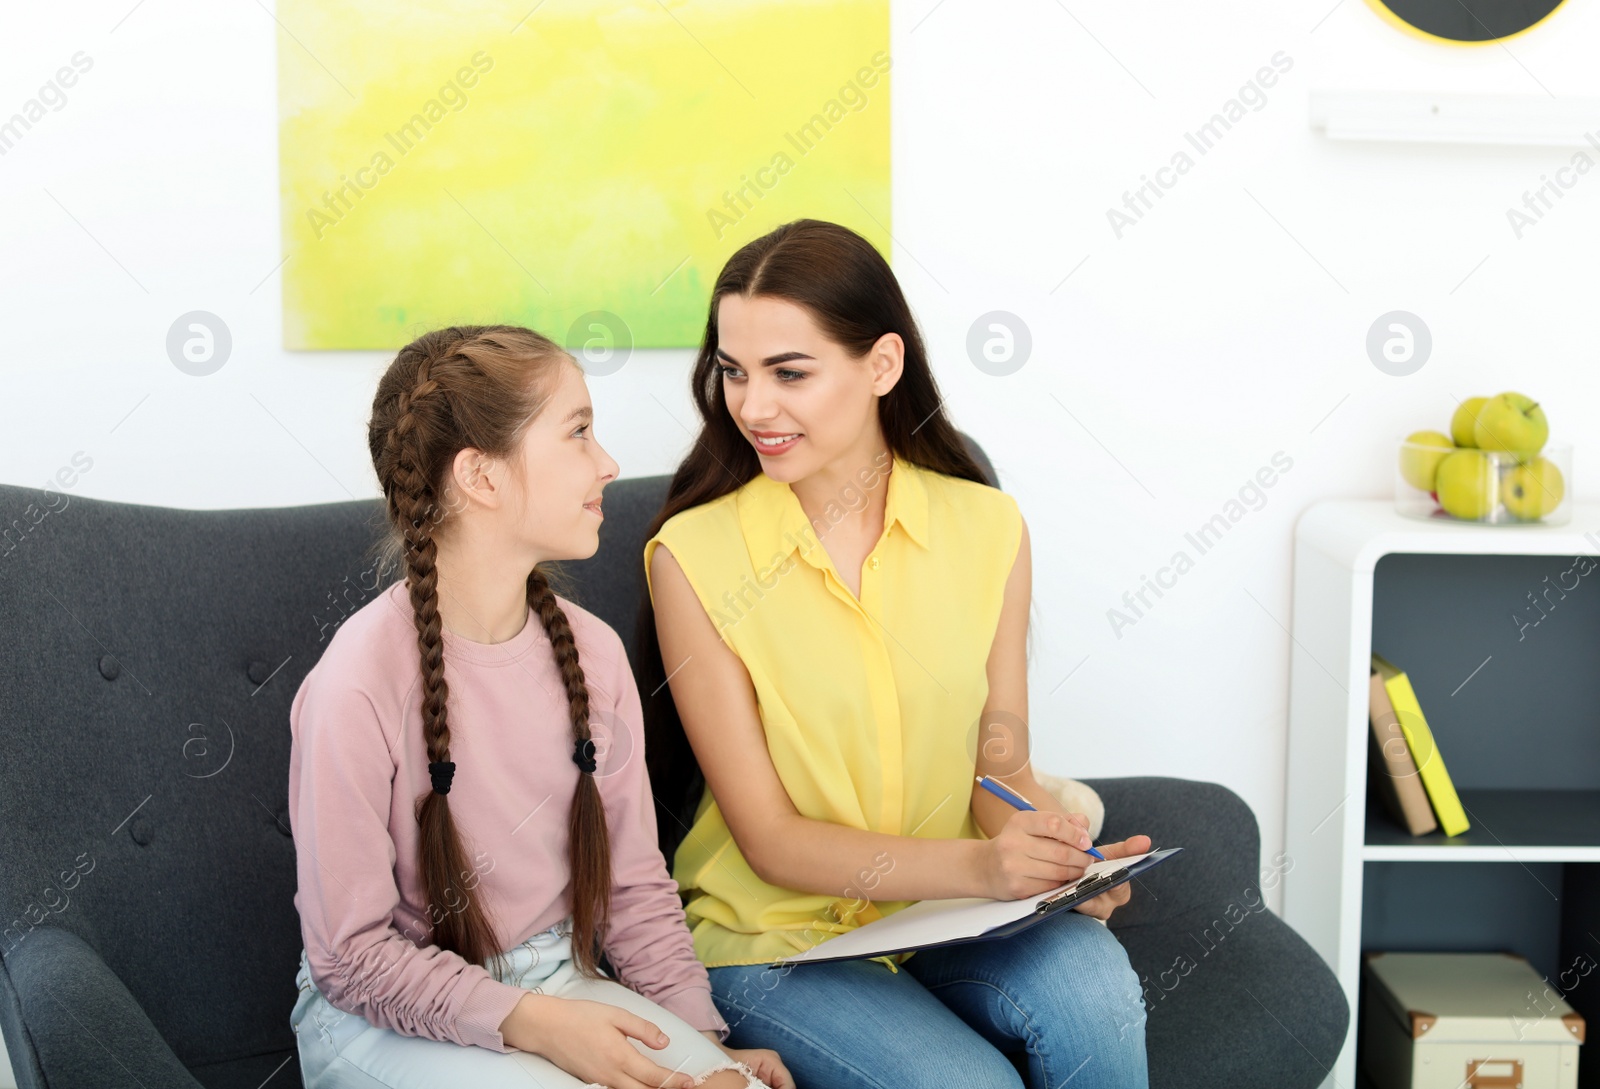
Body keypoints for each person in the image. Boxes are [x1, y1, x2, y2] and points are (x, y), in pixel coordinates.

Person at [638, 221, 1152, 1088]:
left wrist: (1054, 858)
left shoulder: (987, 527)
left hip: (947, 916)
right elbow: (770, 840)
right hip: (777, 940)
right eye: (734, 372)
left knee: (1094, 985)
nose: (752, 406)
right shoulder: (692, 557)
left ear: (881, 365)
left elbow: (999, 767)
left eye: (789, 372)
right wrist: (984, 866)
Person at [287, 325, 791, 1089]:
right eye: (579, 432)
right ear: (481, 478)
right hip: (378, 1014)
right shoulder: (355, 681)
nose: (609, 463)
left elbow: (635, 888)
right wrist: (535, 1025)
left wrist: (705, 1043)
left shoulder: (592, 654)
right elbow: (351, 959)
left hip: (559, 974)